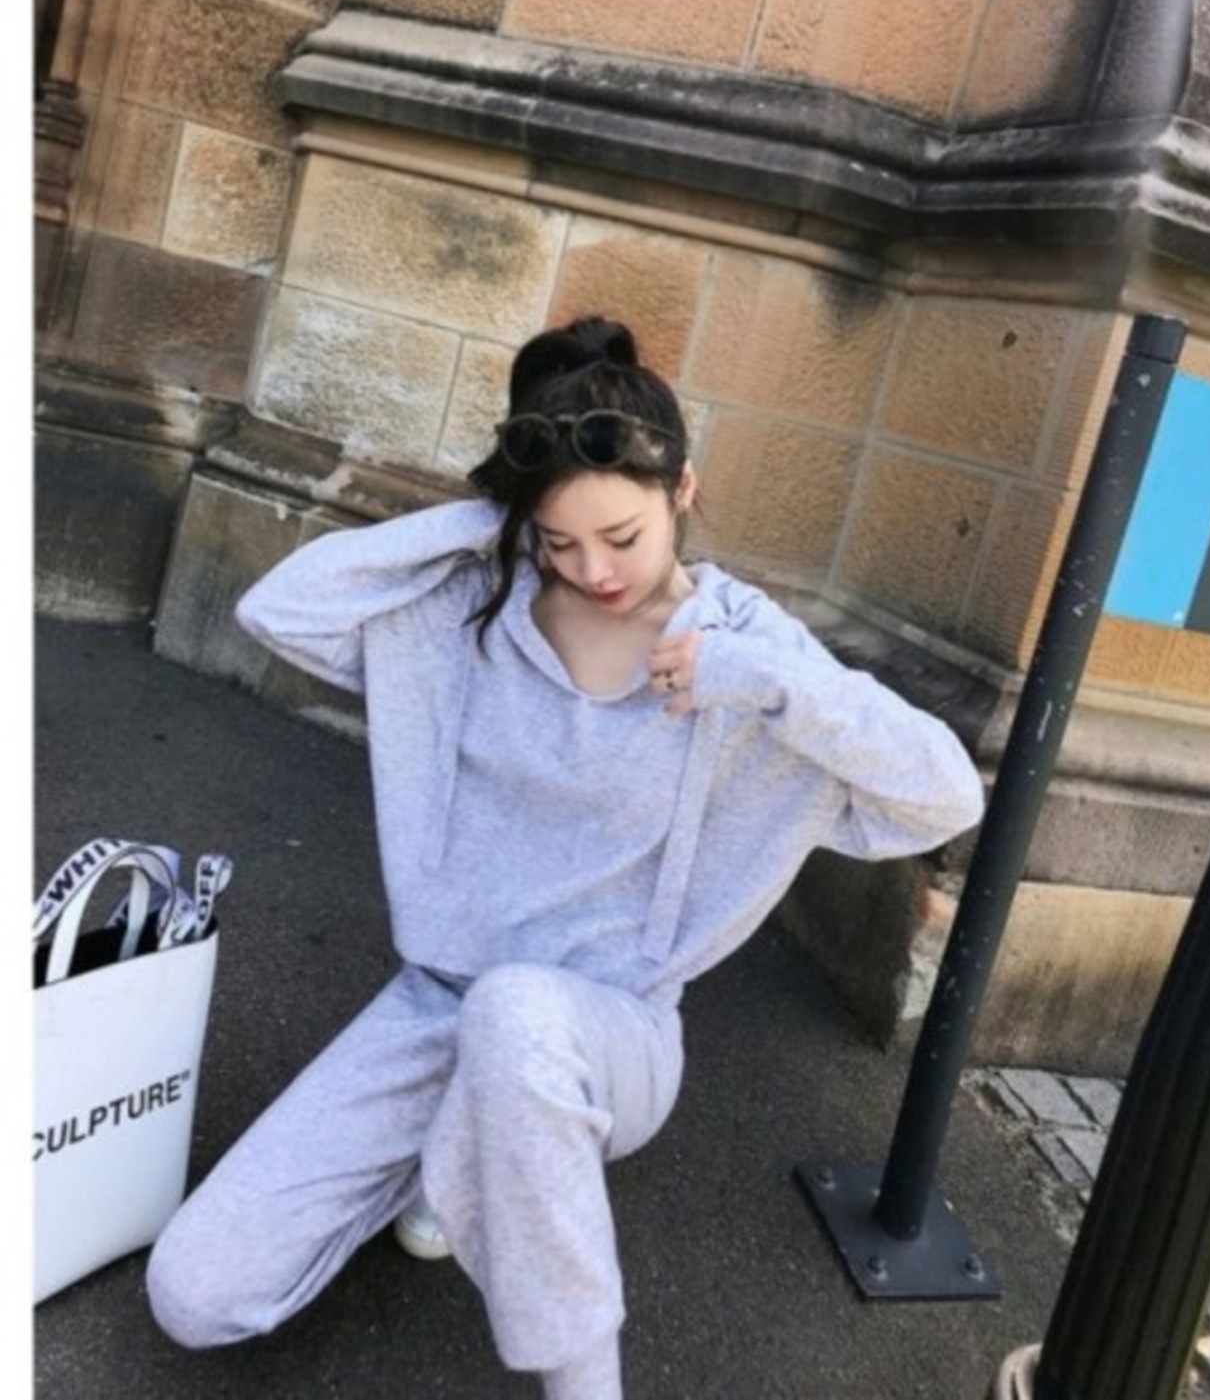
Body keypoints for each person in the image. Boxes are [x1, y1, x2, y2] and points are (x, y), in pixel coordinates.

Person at [146, 315, 984, 1398]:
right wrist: (498, 512)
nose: (593, 570)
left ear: (683, 489)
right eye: (559, 541)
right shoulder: (473, 608)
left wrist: (765, 685)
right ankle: (462, 1148)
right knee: (196, 1292)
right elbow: (280, 606)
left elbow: (943, 793)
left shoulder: (740, 644)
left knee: (518, 1017)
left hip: (610, 1032)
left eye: (622, 537)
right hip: (436, 1005)